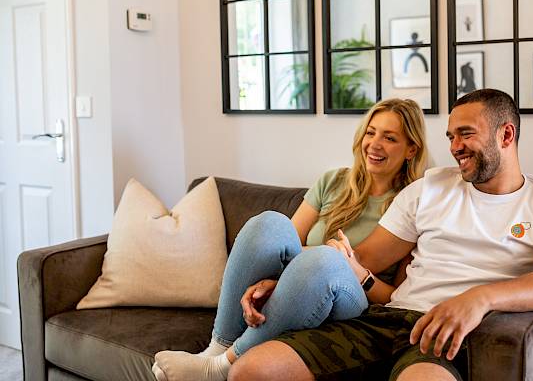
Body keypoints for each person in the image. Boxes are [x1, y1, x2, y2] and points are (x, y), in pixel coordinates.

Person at [225, 88, 533, 381]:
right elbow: (360, 261)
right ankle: (220, 352)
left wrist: (480, 298)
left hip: (446, 334)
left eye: (466, 134)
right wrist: (286, 284)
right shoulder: (430, 187)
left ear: (506, 134)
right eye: (450, 136)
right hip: (385, 321)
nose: (454, 147)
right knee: (251, 371)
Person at [152, 98, 428, 381]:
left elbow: (396, 297)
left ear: (411, 149)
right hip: (301, 285)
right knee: (269, 223)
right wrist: (279, 279)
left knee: (325, 261)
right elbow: (287, 244)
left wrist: (349, 269)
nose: (375, 143)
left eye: (390, 137)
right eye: (371, 132)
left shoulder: (414, 205)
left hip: (357, 305)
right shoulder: (333, 181)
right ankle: (216, 348)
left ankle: (219, 367)